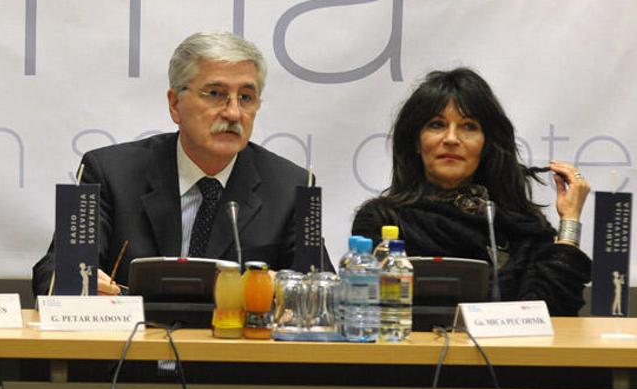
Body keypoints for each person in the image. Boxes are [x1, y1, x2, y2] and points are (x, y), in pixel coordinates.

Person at [32, 31, 333, 296]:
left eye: (245, 97)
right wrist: (76, 283)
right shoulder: (110, 172)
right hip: (136, 342)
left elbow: (322, 289)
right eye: (215, 94)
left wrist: (283, 287)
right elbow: (53, 273)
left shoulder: (291, 187)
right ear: (175, 104)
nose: (233, 113)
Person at [352, 67, 591, 315]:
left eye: (468, 126)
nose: (451, 138)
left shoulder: (518, 225)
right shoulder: (382, 220)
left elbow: (552, 314)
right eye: (437, 125)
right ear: (416, 142)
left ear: (486, 144)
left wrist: (570, 220)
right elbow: (374, 313)